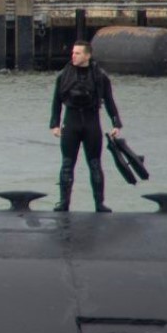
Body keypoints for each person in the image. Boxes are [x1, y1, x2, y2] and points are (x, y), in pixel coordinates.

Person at [48, 40, 124, 212]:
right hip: (71, 122)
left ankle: (99, 203)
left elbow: (109, 100)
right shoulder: (63, 75)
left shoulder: (100, 76)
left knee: (95, 164)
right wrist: (55, 124)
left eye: (78, 53)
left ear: (88, 55)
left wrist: (116, 123)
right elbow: (56, 101)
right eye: (73, 53)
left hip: (91, 123)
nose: (73, 56)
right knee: (67, 164)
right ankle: (64, 202)